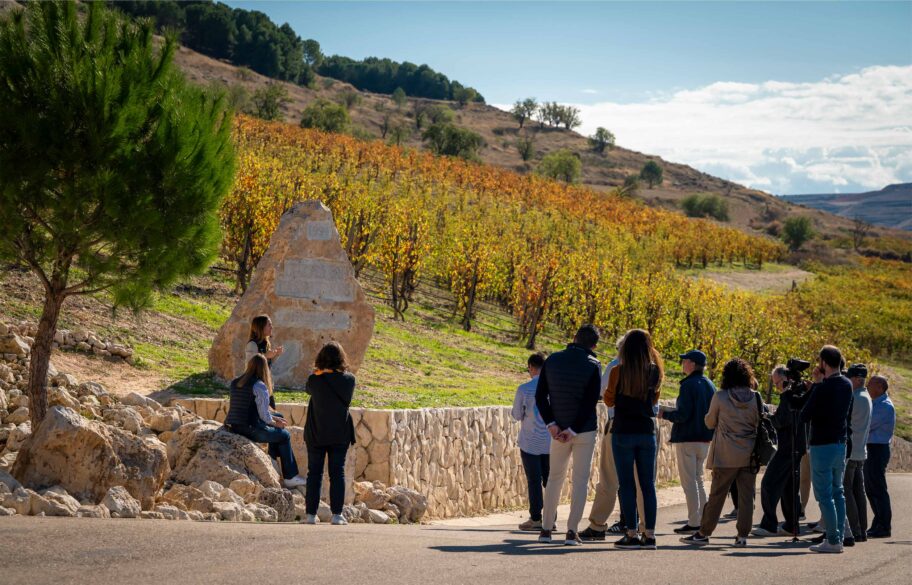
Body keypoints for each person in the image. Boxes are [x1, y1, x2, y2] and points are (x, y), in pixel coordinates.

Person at [680, 358, 761, 548]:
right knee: (746, 497)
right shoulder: (756, 397)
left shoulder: (721, 396)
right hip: (749, 455)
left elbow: (709, 422)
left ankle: (704, 533)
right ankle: (742, 536)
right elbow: (759, 420)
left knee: (717, 496)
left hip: (725, 454)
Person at [535, 324, 602, 546]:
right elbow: (590, 401)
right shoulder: (593, 365)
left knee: (554, 478)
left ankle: (545, 530)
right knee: (580, 481)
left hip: (557, 429)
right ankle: (572, 532)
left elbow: (540, 396)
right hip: (583, 430)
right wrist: (573, 429)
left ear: (574, 338)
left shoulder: (552, 360)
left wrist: (552, 424)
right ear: (594, 345)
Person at [604, 329, 664, 550]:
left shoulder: (618, 371)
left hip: (623, 430)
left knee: (627, 484)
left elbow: (609, 400)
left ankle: (630, 533)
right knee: (648, 485)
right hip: (646, 431)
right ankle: (650, 534)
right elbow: (655, 398)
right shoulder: (654, 371)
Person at [800, 345, 854, 553]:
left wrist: (815, 385)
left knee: (824, 495)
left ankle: (832, 540)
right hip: (840, 443)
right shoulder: (847, 384)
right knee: (838, 492)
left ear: (823, 362)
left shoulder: (823, 387)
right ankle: (838, 537)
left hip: (822, 445)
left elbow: (805, 414)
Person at [225, 354, 306, 489]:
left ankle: (272, 458)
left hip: (234, 425)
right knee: (284, 435)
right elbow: (264, 416)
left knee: (278, 415)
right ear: (264, 369)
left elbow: (252, 408)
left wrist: (275, 418)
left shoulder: (235, 382)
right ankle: (290, 476)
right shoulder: (259, 385)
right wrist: (275, 423)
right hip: (250, 429)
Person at [659, 350, 715, 535]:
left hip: (687, 438)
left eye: (685, 361)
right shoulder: (710, 384)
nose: (682, 364)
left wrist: (665, 414)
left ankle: (693, 521)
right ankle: (702, 520)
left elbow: (683, 414)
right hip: (705, 438)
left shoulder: (688, 385)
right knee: (698, 479)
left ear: (692, 364)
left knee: (689, 482)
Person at [303, 342, 356, 526]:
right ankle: (337, 515)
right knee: (337, 473)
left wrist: (319, 372)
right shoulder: (349, 380)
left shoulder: (314, 379)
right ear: (341, 359)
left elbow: (308, 389)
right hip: (339, 433)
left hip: (316, 432)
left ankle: (310, 515)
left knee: (314, 473)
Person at [753, 365, 807, 537]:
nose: (777, 388)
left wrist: (766, 417)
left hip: (788, 447)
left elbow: (782, 420)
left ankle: (769, 524)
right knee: (789, 487)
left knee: (768, 483)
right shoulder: (798, 394)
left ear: (786, 379)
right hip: (797, 445)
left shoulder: (789, 396)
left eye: (777, 384)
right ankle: (792, 524)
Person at [511, 352, 551, 531]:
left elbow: (517, 415)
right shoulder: (554, 388)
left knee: (534, 481)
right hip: (551, 442)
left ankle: (536, 518)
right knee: (551, 481)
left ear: (531, 367)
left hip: (529, 443)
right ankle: (551, 519)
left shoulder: (524, 389)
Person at [842, 364, 872, 545]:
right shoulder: (866, 396)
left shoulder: (854, 398)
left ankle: (854, 529)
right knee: (858, 492)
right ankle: (862, 530)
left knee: (847, 492)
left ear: (854, 379)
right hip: (861, 451)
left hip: (851, 451)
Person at [865, 374, 895, 538]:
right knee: (871, 488)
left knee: (877, 488)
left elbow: (867, 425)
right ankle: (878, 523)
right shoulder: (875, 403)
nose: (868, 386)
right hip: (872, 448)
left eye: (871, 384)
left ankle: (884, 526)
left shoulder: (884, 406)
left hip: (877, 449)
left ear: (880, 387)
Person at [245, 315, 285, 410]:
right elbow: (251, 362)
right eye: (269, 325)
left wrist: (276, 354)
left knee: (272, 411)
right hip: (256, 385)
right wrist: (266, 355)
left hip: (266, 383)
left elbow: (268, 364)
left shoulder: (266, 343)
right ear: (261, 327)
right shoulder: (252, 344)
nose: (272, 327)